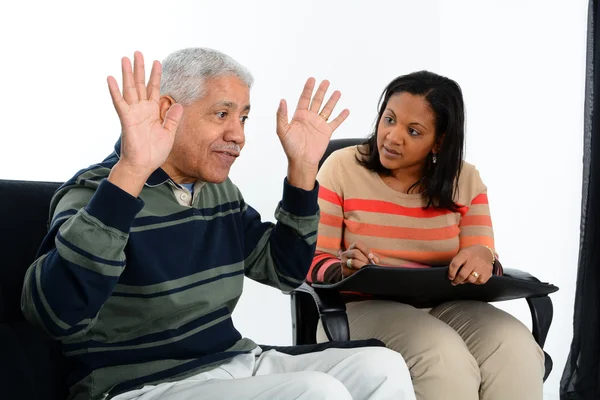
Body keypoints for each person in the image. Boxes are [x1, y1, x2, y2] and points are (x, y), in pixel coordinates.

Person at [20, 48, 416, 400]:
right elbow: (55, 313)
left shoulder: (218, 192)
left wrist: (302, 172)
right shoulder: (97, 192)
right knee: (316, 392)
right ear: (166, 112)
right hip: (142, 384)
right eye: (222, 114)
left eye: (243, 117)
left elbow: (283, 271)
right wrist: (131, 172)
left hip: (233, 362)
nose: (238, 135)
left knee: (382, 366)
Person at [308, 71, 545, 400]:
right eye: (388, 119)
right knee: (442, 356)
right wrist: (344, 267)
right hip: (364, 307)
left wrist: (484, 259)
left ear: (439, 141)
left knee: (516, 347)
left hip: (448, 304)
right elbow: (312, 259)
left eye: (413, 131)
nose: (392, 137)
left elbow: (485, 264)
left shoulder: (466, 181)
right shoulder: (341, 168)